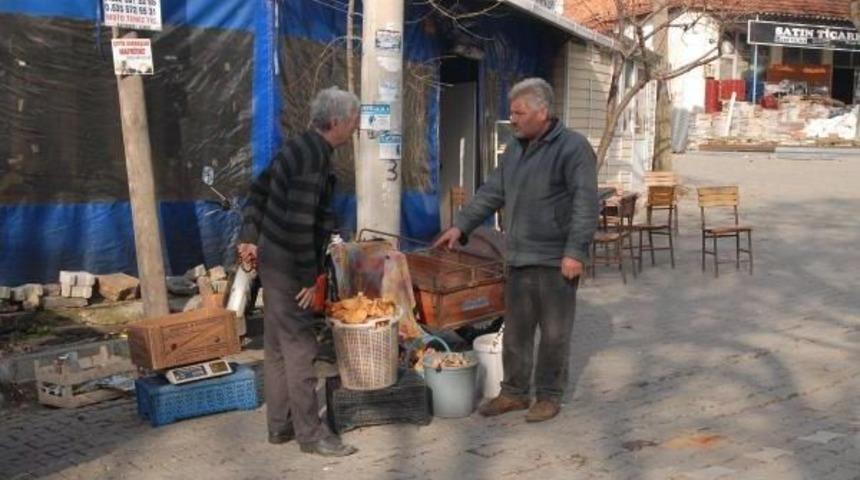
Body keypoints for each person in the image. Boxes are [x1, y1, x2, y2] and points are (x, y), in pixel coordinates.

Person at [434, 77, 598, 422]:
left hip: (557, 260)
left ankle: (549, 396)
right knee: (516, 333)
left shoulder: (573, 148)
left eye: (518, 112)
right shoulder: (514, 149)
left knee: (554, 335)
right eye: (512, 112)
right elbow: (492, 192)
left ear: (542, 112)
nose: (513, 119)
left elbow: (586, 203)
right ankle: (514, 393)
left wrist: (575, 252)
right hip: (519, 256)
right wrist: (460, 226)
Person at [237, 87, 360, 456]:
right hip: (289, 261)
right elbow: (300, 223)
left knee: (275, 346)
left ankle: (280, 426)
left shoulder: (296, 147)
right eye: (353, 122)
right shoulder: (313, 159)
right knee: (300, 346)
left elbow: (257, 192)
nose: (355, 129)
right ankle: (311, 434)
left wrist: (250, 236)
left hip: (273, 257)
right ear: (336, 122)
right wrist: (310, 279)